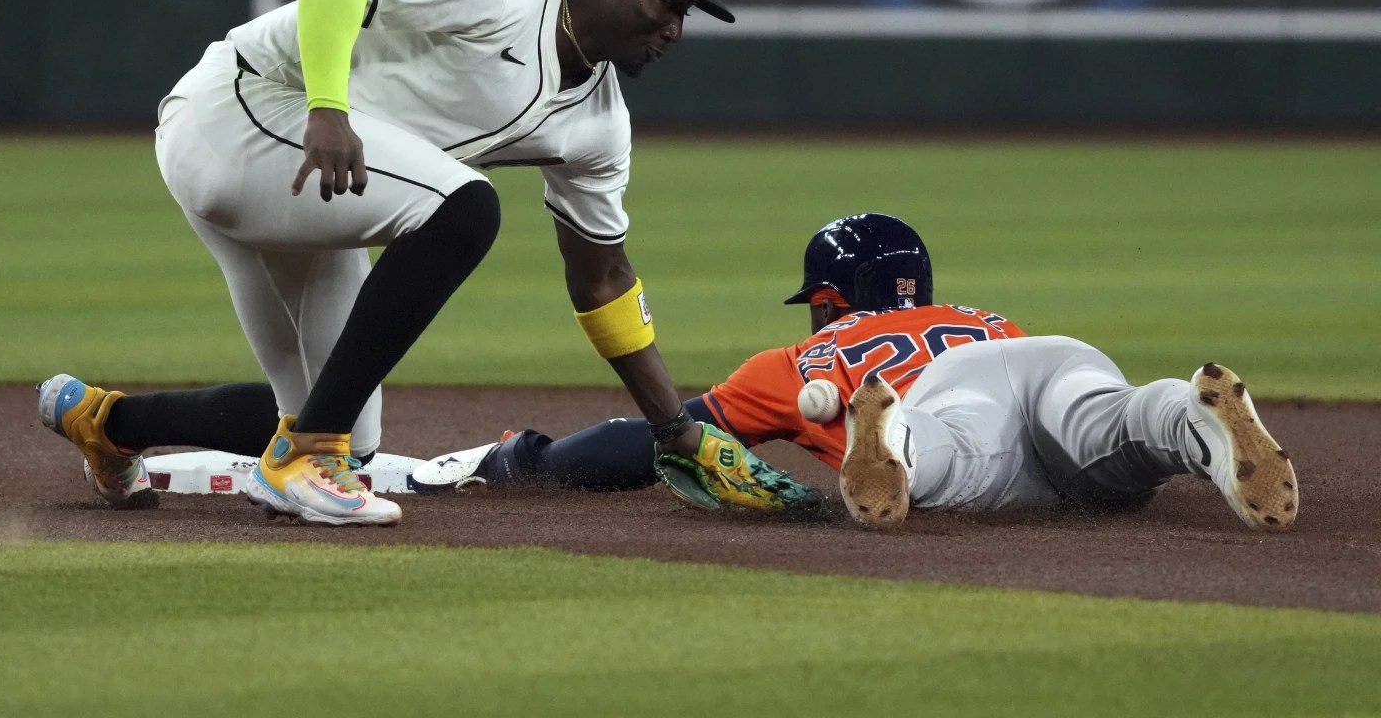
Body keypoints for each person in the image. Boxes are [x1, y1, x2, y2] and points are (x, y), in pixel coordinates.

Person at [37, 0, 785, 526]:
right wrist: (327, 108)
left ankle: (106, 423)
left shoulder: (598, 125)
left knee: (342, 422)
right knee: (466, 209)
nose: (674, 27)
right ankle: (305, 455)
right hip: (240, 110)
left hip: (319, 181)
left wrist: (677, 431)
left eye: (685, 11)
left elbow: (603, 279)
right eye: (666, 0)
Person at [409, 214, 1300, 533]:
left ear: (830, 298)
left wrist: (527, 458)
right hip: (1048, 353)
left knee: (954, 456)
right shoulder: (982, 317)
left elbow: (657, 438)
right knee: (1108, 427)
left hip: (944, 402)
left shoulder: (804, 358)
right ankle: (1186, 415)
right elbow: (1026, 394)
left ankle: (895, 442)